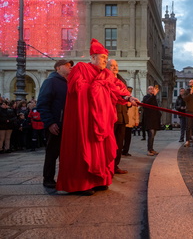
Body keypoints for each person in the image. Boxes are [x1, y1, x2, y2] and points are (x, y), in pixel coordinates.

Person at [56, 39, 137, 196]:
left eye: (106, 59)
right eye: (102, 58)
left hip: (101, 119)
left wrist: (129, 98)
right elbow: (76, 88)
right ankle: (81, 184)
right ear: (92, 57)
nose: (104, 61)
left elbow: (118, 87)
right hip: (85, 119)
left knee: (100, 149)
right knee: (84, 148)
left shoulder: (105, 74)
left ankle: (99, 180)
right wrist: (99, 85)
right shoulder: (81, 68)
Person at [37, 59, 73, 188]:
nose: (70, 67)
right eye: (67, 65)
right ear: (58, 68)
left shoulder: (69, 83)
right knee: (52, 152)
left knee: (66, 153)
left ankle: (65, 177)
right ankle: (48, 178)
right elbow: (42, 104)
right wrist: (50, 122)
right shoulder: (50, 81)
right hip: (56, 124)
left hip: (67, 124)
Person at [107, 59, 129, 174]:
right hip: (111, 116)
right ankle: (108, 167)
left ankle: (115, 166)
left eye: (116, 65)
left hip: (122, 117)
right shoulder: (105, 79)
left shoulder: (121, 80)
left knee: (119, 143)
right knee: (110, 144)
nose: (114, 67)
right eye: (111, 65)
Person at [142, 85, 161, 156]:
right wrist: (153, 95)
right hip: (149, 120)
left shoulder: (154, 98)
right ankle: (149, 150)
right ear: (147, 90)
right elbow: (147, 103)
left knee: (153, 135)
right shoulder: (146, 97)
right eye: (150, 89)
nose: (152, 90)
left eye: (152, 89)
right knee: (151, 135)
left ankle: (151, 149)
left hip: (154, 120)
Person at [122, 87, 139, 156]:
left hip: (130, 121)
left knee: (128, 137)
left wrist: (136, 121)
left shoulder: (133, 100)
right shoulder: (123, 99)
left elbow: (136, 112)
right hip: (122, 120)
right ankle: (120, 149)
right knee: (121, 137)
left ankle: (126, 150)